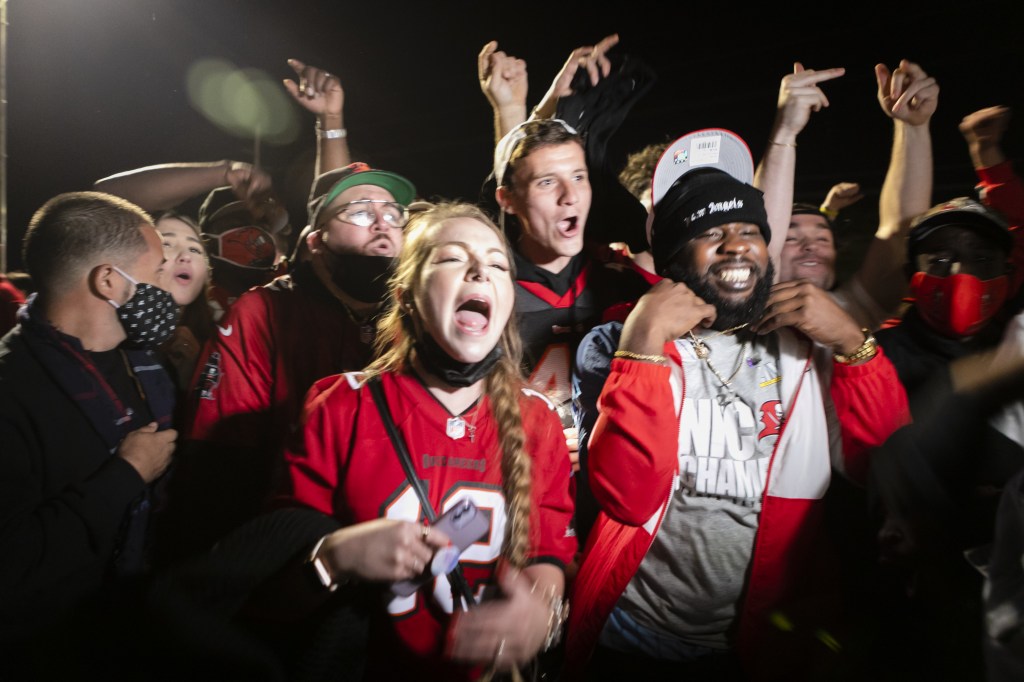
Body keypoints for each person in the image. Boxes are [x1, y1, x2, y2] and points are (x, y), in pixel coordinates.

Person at [565, 130, 910, 679]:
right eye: (710, 232)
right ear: (676, 255)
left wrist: (853, 344)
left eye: (749, 230)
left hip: (763, 646)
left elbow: (889, 469)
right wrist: (643, 346)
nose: (736, 245)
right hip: (632, 636)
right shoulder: (620, 342)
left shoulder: (809, 347)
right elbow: (629, 498)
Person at [281, 202, 575, 680]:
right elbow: (272, 595)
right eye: (453, 258)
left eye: (498, 264)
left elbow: (548, 556)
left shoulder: (536, 419)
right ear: (407, 297)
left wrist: (542, 613)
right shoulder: (340, 406)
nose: (481, 270)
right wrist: (335, 558)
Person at [160, 161, 417, 564]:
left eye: (392, 214)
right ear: (316, 240)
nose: (382, 224)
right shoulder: (262, 311)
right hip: (284, 553)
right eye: (362, 212)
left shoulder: (417, 318)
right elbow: (217, 468)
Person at [0, 192, 178, 675]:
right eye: (157, 270)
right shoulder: (12, 390)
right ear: (107, 281)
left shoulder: (147, 365)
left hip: (127, 628)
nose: (167, 284)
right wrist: (128, 473)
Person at [767, 59, 938, 330]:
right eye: (790, 237)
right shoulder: (741, 313)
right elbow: (760, 228)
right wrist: (784, 131)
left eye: (823, 237)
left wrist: (913, 127)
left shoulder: (854, 308)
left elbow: (900, 232)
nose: (810, 246)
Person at [154, 211, 215, 393]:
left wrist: (193, 374)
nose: (185, 256)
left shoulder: (218, 344)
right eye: (167, 244)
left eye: (195, 249)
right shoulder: (115, 341)